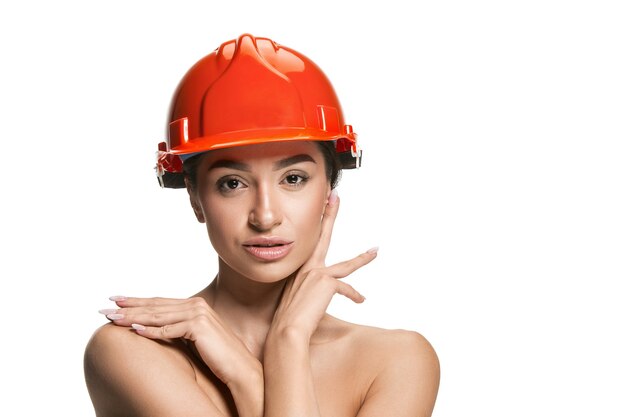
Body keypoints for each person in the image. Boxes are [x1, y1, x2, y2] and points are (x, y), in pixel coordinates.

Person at [84, 33, 440, 417]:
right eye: (232, 183)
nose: (265, 216)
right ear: (194, 197)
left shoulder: (398, 361)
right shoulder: (133, 351)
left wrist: (276, 352)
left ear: (328, 188)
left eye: (293, 178)